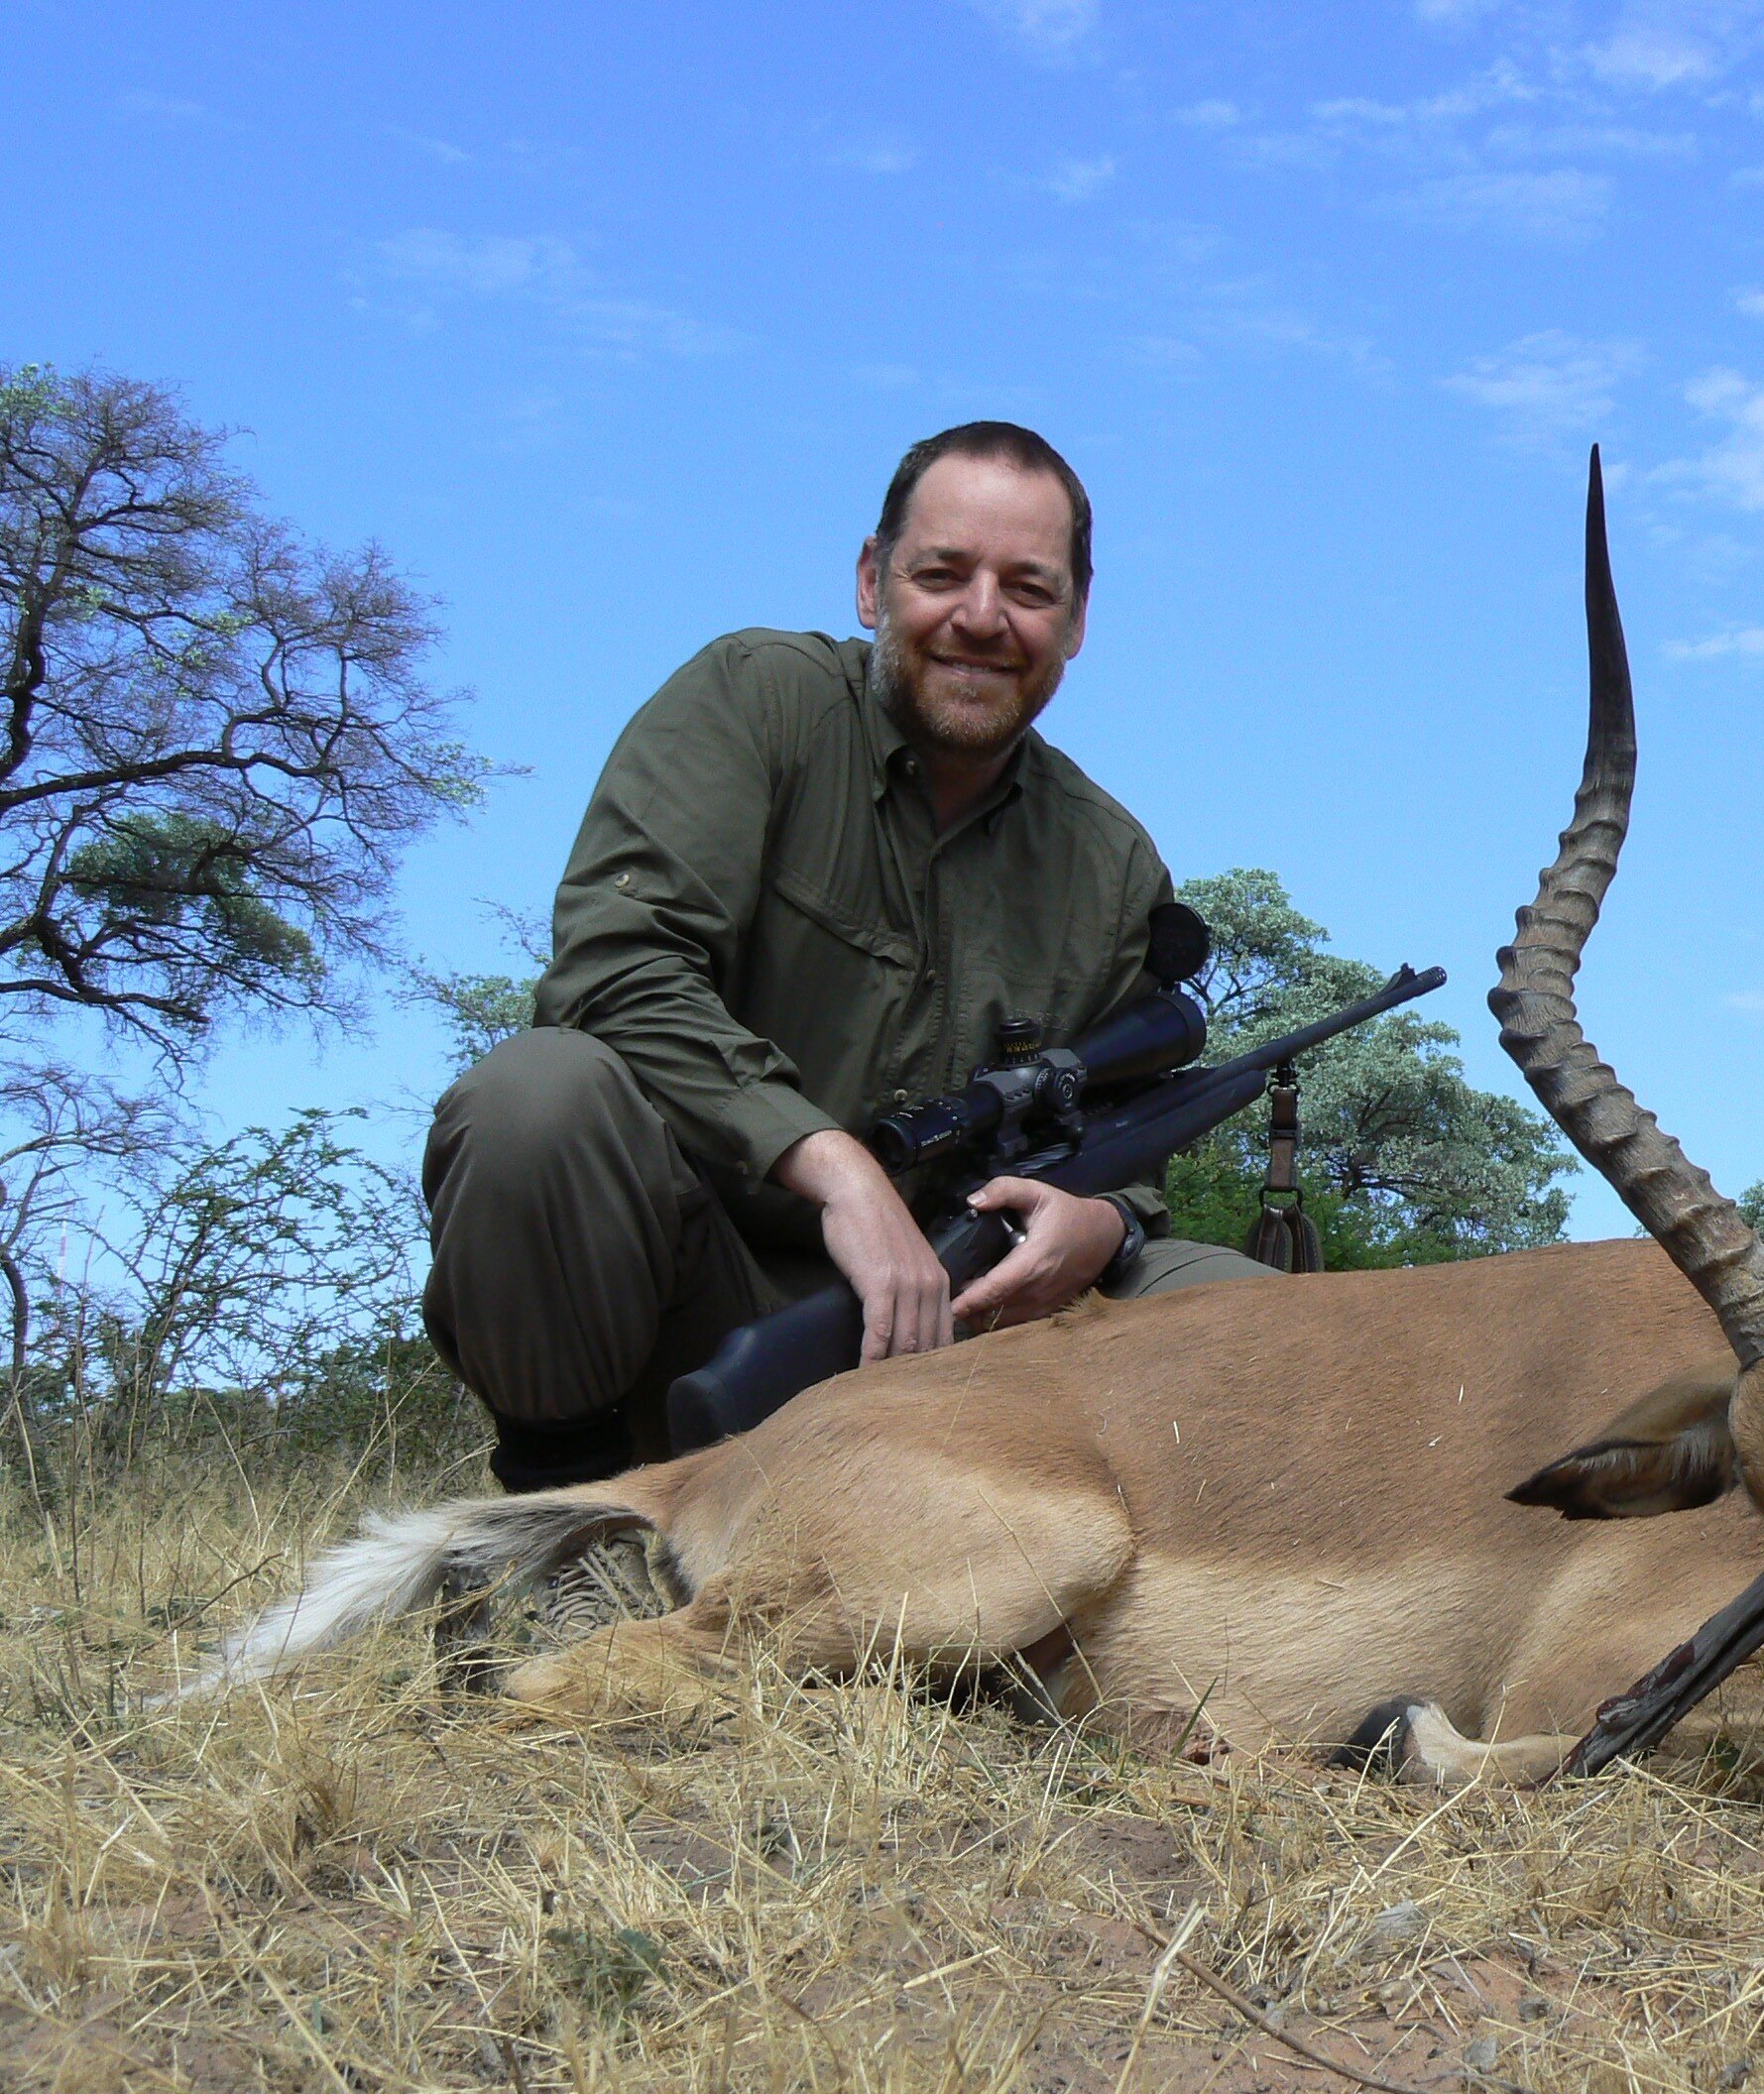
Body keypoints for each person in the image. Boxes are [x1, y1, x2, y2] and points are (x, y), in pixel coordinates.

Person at [423, 422, 1270, 1492]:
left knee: (1264, 1315)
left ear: (1075, 623)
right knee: (533, 1101)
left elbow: (1113, 1141)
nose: (980, 618)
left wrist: (1098, 1224)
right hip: (703, 1303)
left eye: (1027, 588)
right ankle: (568, 1522)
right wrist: (837, 1172)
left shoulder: (1111, 858)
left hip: (967, 1331)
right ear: (872, 583)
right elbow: (612, 971)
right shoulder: (753, 699)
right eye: (941, 573)